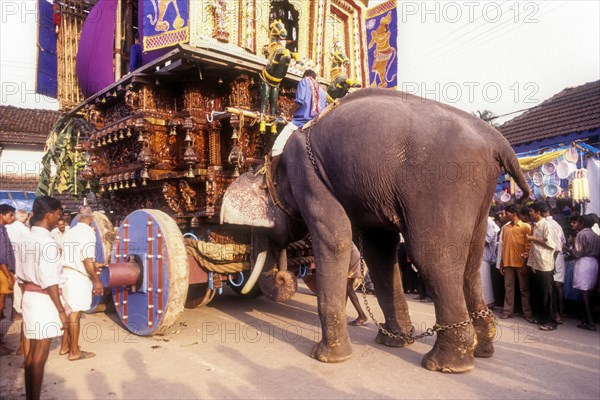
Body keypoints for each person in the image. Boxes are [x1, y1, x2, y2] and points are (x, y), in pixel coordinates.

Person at [16, 196, 68, 400]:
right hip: (44, 298)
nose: (59, 218)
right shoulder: (47, 242)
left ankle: (31, 396)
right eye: (58, 214)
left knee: (33, 353)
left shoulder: (24, 239)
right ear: (50, 214)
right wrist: (61, 311)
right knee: (40, 354)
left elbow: (19, 276)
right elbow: (50, 281)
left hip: (30, 295)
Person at [59, 206, 103, 360]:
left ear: (78, 217)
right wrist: (96, 281)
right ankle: (74, 352)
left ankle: (65, 346)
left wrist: (92, 263)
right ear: (91, 219)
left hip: (65, 274)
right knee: (75, 314)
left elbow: (73, 255)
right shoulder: (88, 232)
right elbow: (86, 259)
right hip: (77, 277)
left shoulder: (70, 231)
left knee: (68, 312)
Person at [270, 69, 327, 176]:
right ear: (315, 78)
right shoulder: (322, 92)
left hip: (299, 122)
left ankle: (271, 178)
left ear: (305, 76)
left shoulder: (304, 81)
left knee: (278, 145)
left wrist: (289, 114)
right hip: (316, 124)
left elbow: (299, 101)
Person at [499, 204, 534, 322]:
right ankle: (508, 311)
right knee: (508, 288)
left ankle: (527, 313)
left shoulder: (526, 227)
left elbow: (528, 246)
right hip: (508, 262)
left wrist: (525, 263)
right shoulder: (506, 228)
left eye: (507, 213)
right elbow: (503, 246)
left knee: (524, 289)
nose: (506, 215)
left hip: (521, 262)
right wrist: (502, 263)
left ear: (514, 214)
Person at [526, 203, 558, 331]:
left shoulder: (546, 226)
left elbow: (550, 244)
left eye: (532, 211)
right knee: (539, 291)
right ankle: (542, 317)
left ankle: (551, 321)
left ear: (538, 212)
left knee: (548, 292)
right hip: (537, 263)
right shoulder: (537, 225)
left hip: (545, 264)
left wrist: (534, 239)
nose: (530, 213)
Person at [569, 215, 600, 331]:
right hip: (594, 262)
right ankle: (586, 319)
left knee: (583, 292)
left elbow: (577, 252)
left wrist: (567, 250)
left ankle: (590, 321)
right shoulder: (596, 234)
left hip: (584, 262)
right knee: (589, 291)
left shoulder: (581, 234)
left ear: (582, 223)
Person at [545, 207, 567, 324]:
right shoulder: (557, 225)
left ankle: (556, 314)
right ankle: (559, 315)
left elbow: (558, 247)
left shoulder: (547, 224)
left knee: (553, 287)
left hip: (553, 257)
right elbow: (563, 242)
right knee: (558, 287)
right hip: (557, 257)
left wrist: (552, 262)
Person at [0, 204, 17, 356]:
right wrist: (9, 276)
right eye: (11, 215)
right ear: (2, 215)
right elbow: (1, 258)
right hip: (2, 273)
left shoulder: (3, 230)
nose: (14, 218)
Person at [481, 212, 500, 308]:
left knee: (485, 279)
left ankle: (488, 302)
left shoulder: (488, 222)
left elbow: (487, 240)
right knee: (482, 280)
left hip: (484, 256)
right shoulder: (484, 221)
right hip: (481, 256)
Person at [347, 243, 368, 326]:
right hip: (352, 261)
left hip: (352, 263)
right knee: (347, 289)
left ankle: (362, 315)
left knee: (348, 288)